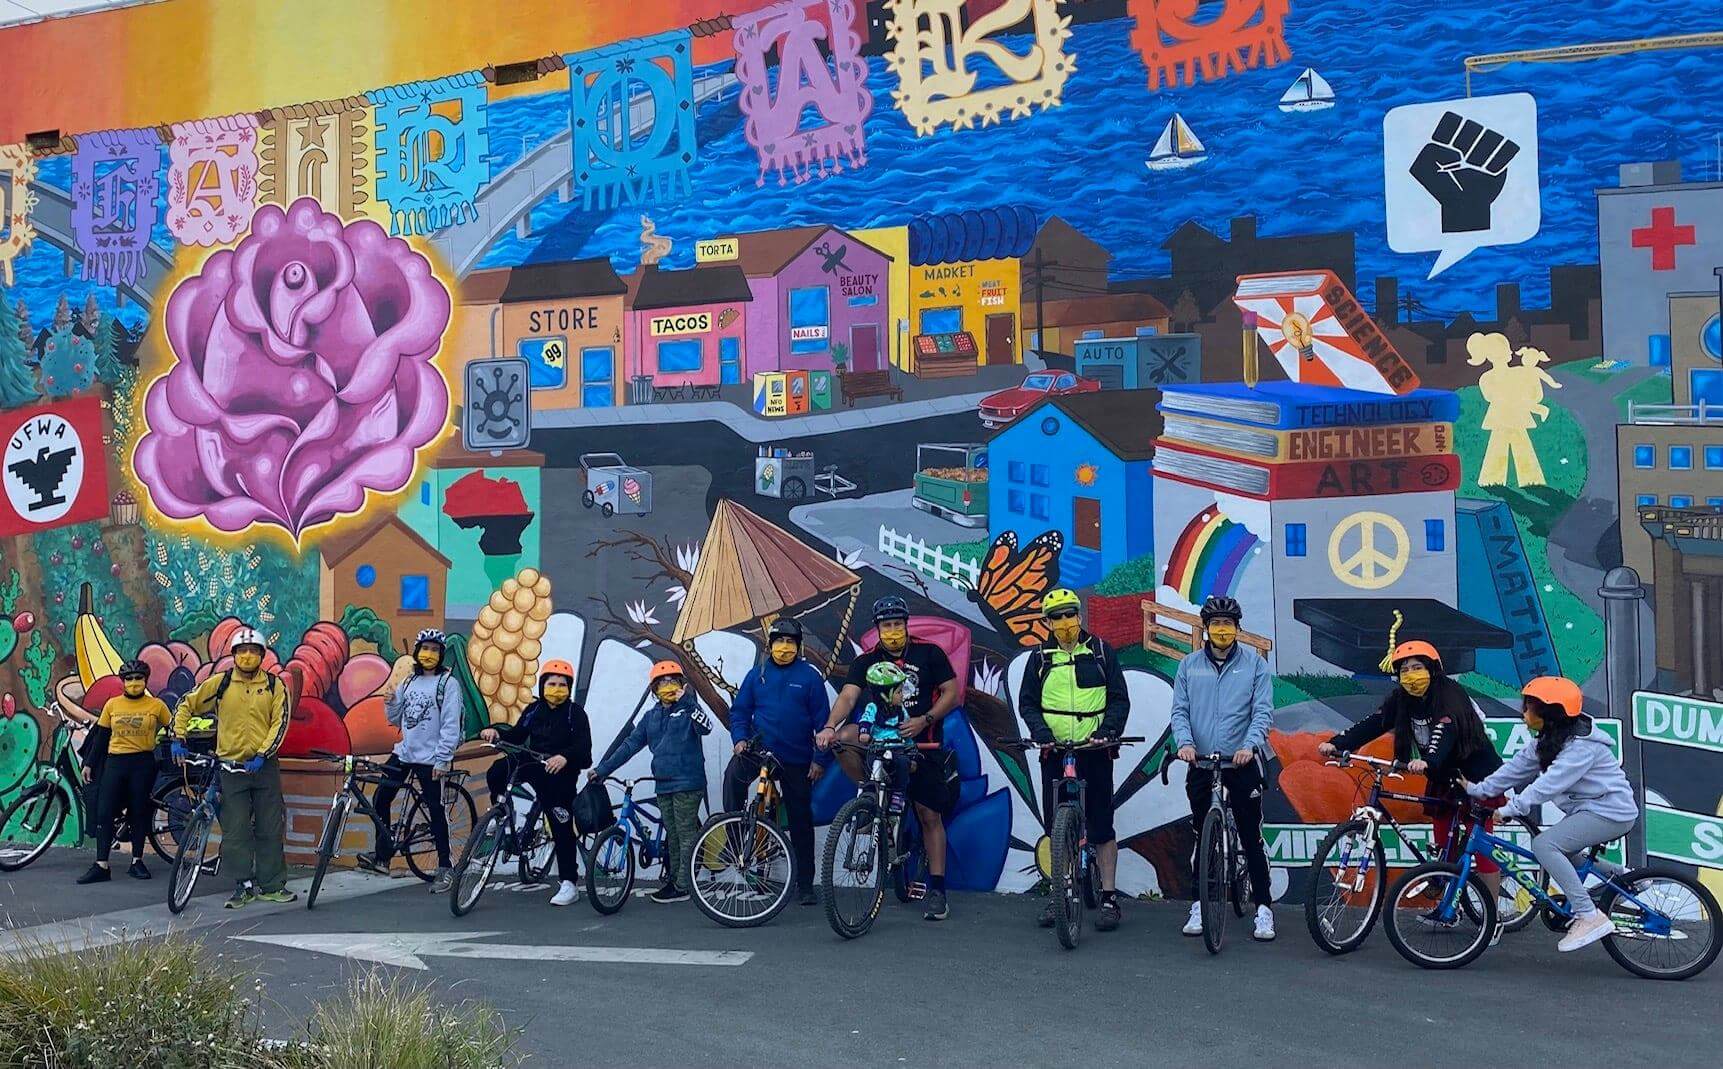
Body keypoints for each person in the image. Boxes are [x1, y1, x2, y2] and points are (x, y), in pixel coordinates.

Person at [1318, 640, 1505, 910]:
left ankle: (1493, 916)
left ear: (1433, 669)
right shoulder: (1402, 700)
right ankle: (1446, 908)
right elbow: (1373, 723)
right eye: (1404, 670)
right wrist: (1338, 743)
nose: (1410, 675)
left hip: (1478, 777)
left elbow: (1445, 731)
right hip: (1444, 777)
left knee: (1483, 849)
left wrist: (1427, 760)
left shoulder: (1450, 695)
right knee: (1444, 845)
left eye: (1417, 667)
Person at [1465, 676, 1638, 953]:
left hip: (1611, 812)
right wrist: (1477, 790)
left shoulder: (1582, 748)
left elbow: (1548, 785)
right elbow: (1514, 770)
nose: (1524, 713)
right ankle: (1626, 879)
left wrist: (1510, 809)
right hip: (1590, 809)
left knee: (1545, 844)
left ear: (1549, 712)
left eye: (1529, 707)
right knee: (1564, 852)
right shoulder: (1548, 742)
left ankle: (1588, 915)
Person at [819, 595, 961, 921]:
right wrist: (829, 725)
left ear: (906, 625)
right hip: (881, 745)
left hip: (921, 744)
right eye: (887, 625)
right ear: (878, 628)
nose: (893, 630)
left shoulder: (930, 653)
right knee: (843, 739)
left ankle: (938, 890)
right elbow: (849, 695)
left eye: (898, 624)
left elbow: (952, 693)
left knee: (929, 816)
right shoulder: (866, 661)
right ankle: (870, 795)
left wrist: (925, 719)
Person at [1017, 588, 1130, 932]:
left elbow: (1119, 699)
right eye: (1057, 617)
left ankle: (1109, 898)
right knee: (1056, 827)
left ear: (1079, 616)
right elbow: (1027, 704)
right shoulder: (1039, 659)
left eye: (1070, 614)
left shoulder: (1100, 652)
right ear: (1047, 622)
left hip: (1094, 750)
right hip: (1055, 750)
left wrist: (1108, 731)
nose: (1065, 622)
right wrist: (1040, 733)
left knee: (1102, 826)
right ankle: (1059, 893)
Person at [1169, 595, 1276, 941]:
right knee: (1202, 835)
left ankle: (1263, 908)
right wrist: (1184, 744)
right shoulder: (1189, 666)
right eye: (1216, 624)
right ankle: (1200, 904)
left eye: (1228, 624)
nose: (1222, 630)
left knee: (1250, 835)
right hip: (1200, 761)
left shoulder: (1255, 666)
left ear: (1237, 629)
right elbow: (1180, 712)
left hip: (1240, 760)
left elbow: (1262, 711)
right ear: (1206, 629)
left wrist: (1250, 746)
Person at [171, 627, 293, 908]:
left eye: (253, 651)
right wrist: (178, 736)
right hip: (230, 768)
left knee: (269, 827)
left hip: (264, 768)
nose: (247, 656)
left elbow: (280, 722)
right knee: (236, 831)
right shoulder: (221, 683)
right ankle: (243, 885)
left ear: (262, 655)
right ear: (234, 655)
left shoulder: (275, 685)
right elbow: (187, 704)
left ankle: (272, 885)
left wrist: (263, 753)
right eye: (242, 652)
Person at [727, 617, 831, 906]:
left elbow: (824, 723)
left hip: (796, 757)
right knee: (733, 777)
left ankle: (805, 884)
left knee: (800, 818)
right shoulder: (756, 675)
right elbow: (739, 713)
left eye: (790, 642)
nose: (784, 647)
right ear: (770, 645)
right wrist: (739, 739)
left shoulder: (810, 677)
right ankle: (736, 835)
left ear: (798, 647)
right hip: (760, 751)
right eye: (779, 642)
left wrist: (820, 760)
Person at [589, 660, 711, 904]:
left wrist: (687, 701)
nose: (668, 686)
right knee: (673, 835)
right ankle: (675, 879)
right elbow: (630, 745)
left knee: (685, 834)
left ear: (682, 685)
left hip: (688, 782)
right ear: (654, 689)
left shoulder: (689, 709)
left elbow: (706, 727)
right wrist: (602, 769)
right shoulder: (650, 717)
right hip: (662, 783)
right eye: (662, 682)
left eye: (673, 681)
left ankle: (683, 885)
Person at [357, 628, 465, 893]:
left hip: (431, 758)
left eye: (435, 650)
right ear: (417, 652)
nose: (429, 654)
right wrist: (391, 702)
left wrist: (443, 760)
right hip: (404, 752)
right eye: (425, 649)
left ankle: (444, 868)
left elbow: (451, 725)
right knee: (380, 798)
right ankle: (382, 856)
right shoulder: (408, 682)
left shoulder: (448, 684)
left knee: (436, 810)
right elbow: (396, 719)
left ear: (441, 655)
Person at [479, 660, 591, 906]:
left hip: (560, 771)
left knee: (561, 824)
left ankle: (569, 884)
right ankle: (501, 815)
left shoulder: (575, 713)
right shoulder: (533, 709)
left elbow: (584, 750)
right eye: (552, 683)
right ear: (543, 685)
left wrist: (564, 757)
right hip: (532, 760)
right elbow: (518, 735)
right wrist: (496, 733)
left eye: (562, 685)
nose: (557, 688)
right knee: (498, 771)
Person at [77, 660, 171, 884]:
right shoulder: (112, 705)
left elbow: (174, 726)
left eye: (139, 678)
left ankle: (137, 861)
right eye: (129, 679)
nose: (134, 682)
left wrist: (179, 743)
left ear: (145, 680)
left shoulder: (157, 705)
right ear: (123, 682)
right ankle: (101, 865)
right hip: (115, 763)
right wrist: (89, 764)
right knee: (104, 811)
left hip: (143, 763)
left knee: (139, 813)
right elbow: (100, 737)